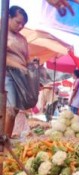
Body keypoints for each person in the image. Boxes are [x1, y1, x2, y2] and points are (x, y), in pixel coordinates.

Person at [4, 6, 29, 138]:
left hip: (20, 78)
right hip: (6, 75)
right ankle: (3, 142)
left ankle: (6, 138)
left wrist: (32, 65)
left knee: (14, 110)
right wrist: (19, 66)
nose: (20, 26)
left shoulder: (22, 39)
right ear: (9, 17)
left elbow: (26, 59)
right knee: (10, 109)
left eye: (23, 24)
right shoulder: (2, 33)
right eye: (18, 22)